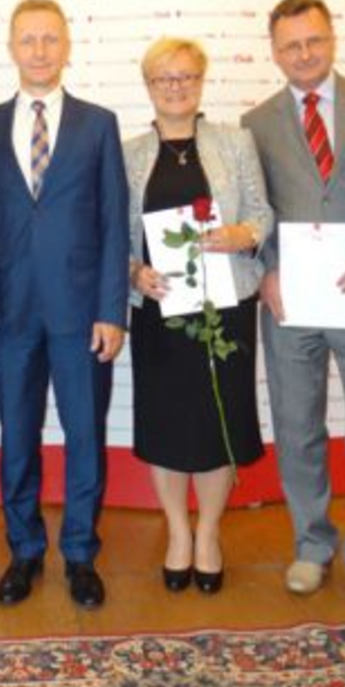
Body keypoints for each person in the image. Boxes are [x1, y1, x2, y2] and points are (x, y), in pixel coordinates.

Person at [241, 0, 345, 611]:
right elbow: (251, 209)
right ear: (274, 51)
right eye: (291, 46)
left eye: (313, 41)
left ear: (332, 39)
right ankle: (311, 544)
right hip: (291, 300)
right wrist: (264, 271)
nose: (304, 54)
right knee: (297, 424)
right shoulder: (255, 123)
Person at [0, 0, 129, 610]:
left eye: (50, 39)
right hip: (10, 315)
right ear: (11, 48)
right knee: (17, 437)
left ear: (67, 46)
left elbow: (114, 222)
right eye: (28, 40)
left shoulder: (99, 124)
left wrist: (112, 310)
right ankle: (25, 550)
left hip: (81, 315)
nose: (39, 51)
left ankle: (81, 554)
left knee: (84, 435)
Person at [124, 37, 272, 594]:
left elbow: (263, 214)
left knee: (216, 421)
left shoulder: (236, 143)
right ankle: (177, 532)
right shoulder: (129, 154)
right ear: (149, 86)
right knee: (165, 424)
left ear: (201, 81)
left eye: (186, 76)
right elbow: (114, 235)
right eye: (164, 78)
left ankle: (208, 533)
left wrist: (243, 234)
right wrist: (133, 273)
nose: (176, 87)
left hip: (225, 309)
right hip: (159, 315)